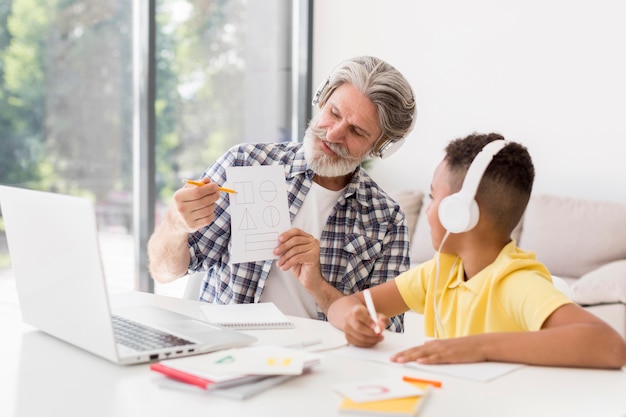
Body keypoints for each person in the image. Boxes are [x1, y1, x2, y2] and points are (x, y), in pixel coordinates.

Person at [147, 56, 417, 332]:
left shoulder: (386, 219)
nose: (333, 134)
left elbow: (383, 333)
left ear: (380, 147)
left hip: (322, 363)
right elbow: (164, 271)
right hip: (228, 349)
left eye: (356, 131)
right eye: (334, 113)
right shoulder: (244, 163)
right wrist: (175, 224)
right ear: (322, 99)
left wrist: (318, 286)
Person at [327, 133, 626, 369]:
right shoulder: (439, 272)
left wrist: (478, 347)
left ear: (460, 212)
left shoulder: (515, 282)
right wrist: (354, 318)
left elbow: (610, 346)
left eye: (434, 196)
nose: (429, 208)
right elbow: (344, 305)